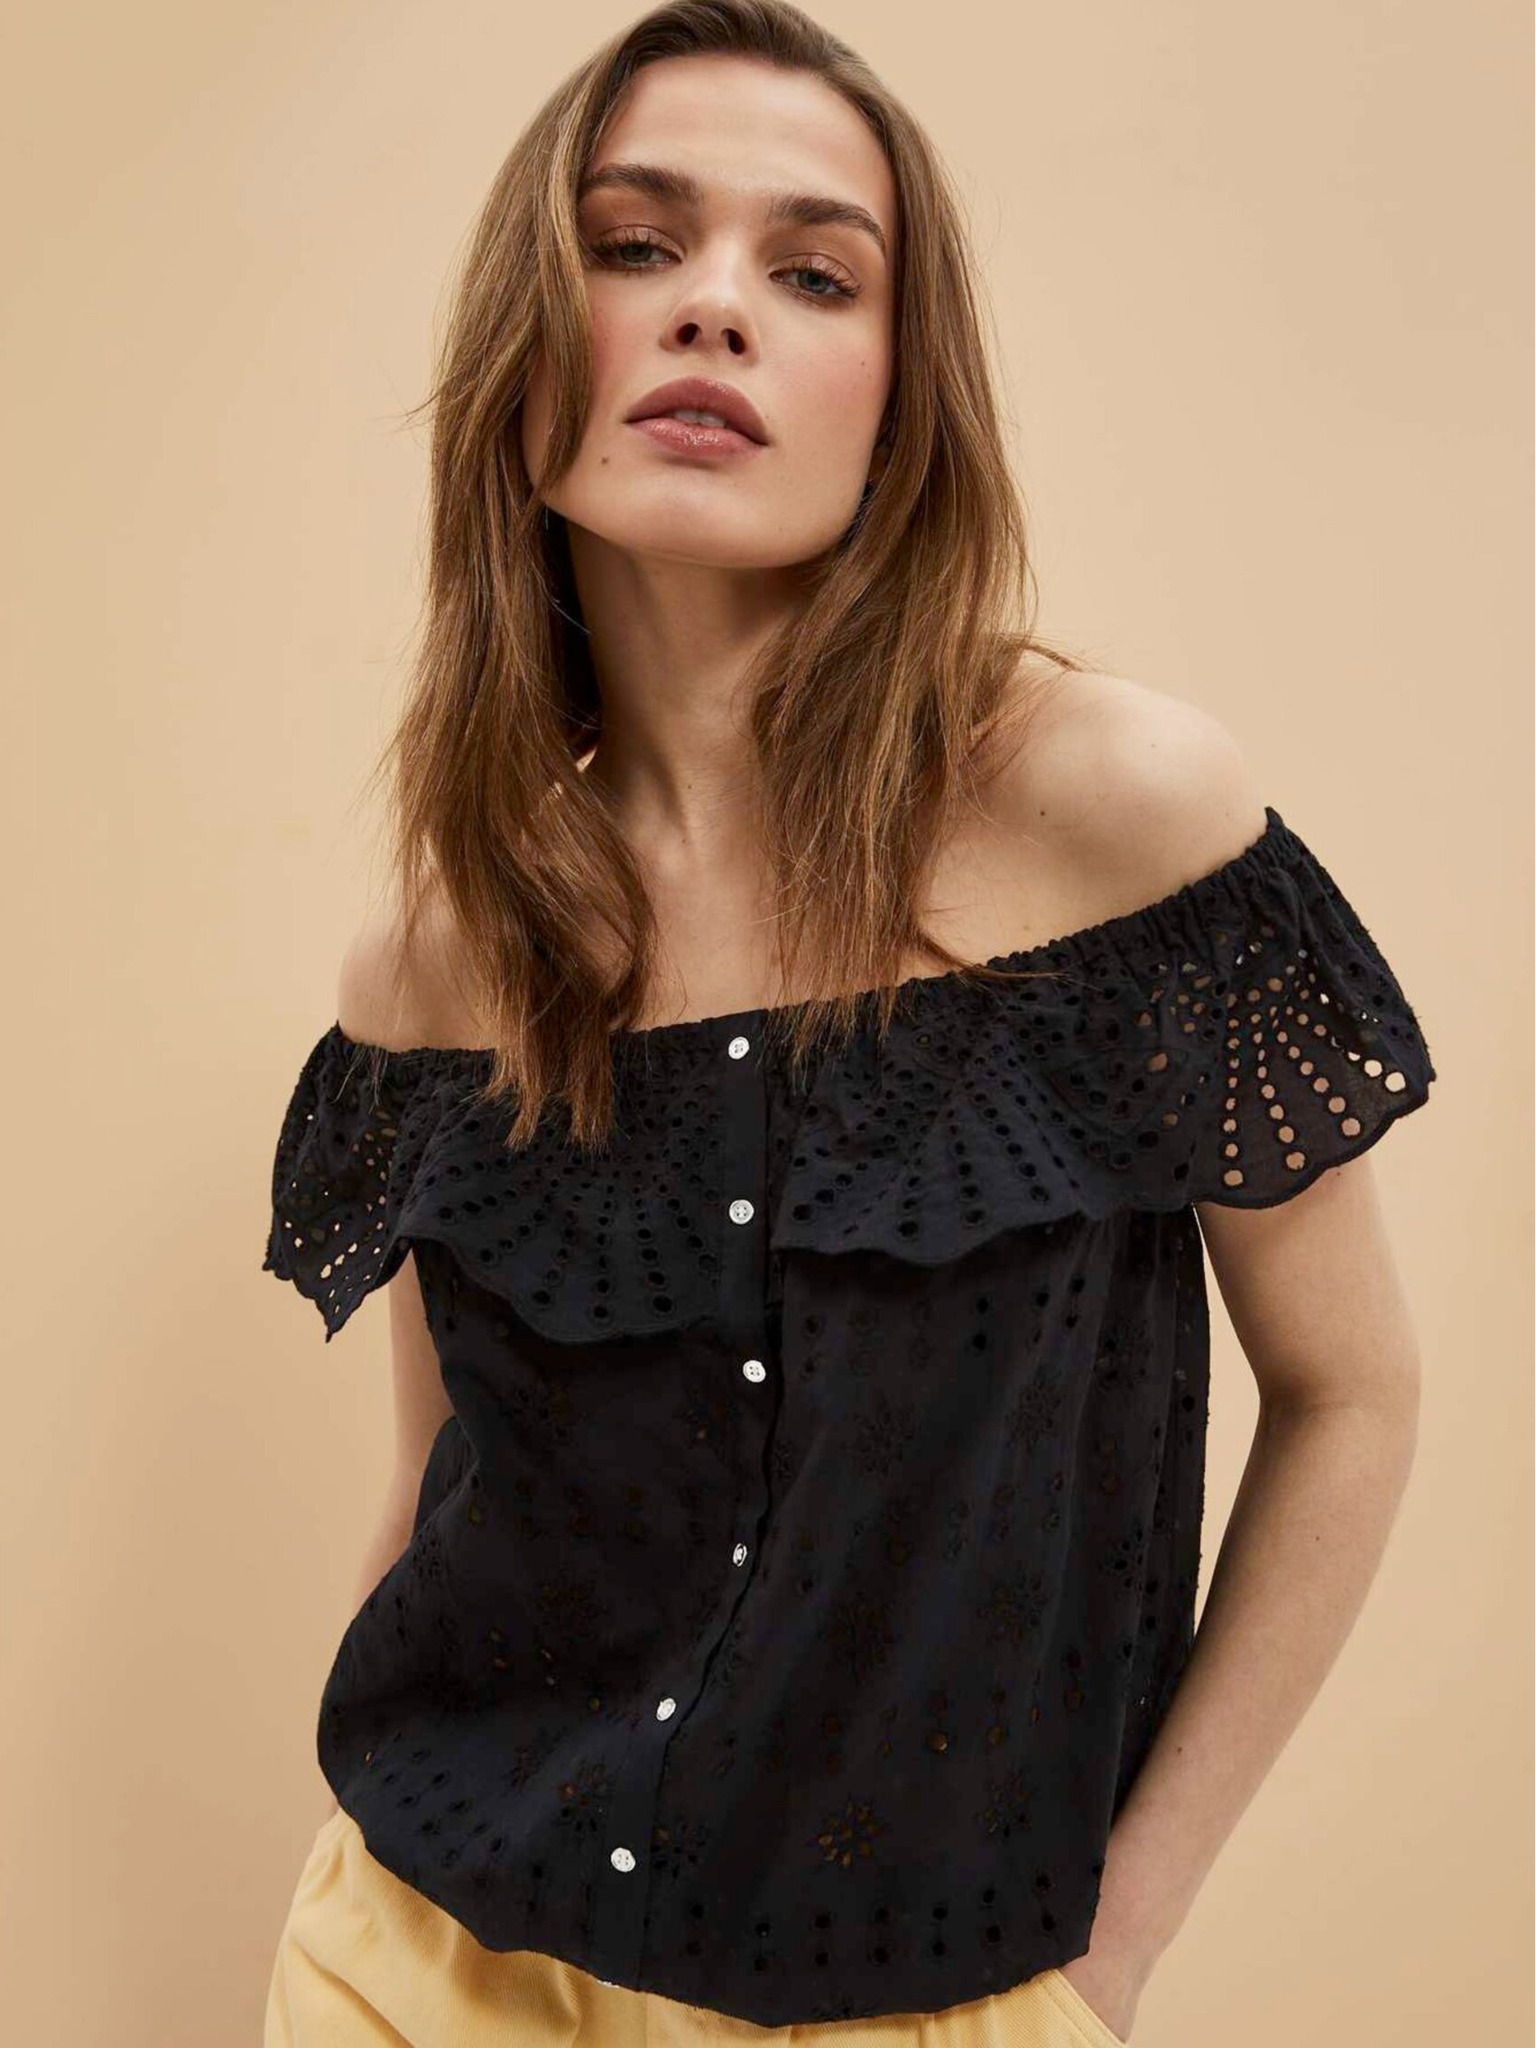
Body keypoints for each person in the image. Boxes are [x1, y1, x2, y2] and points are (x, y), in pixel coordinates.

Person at [259, 3, 1437, 2043]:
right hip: (417, 1964)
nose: (713, 306)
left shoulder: (1116, 813)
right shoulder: (443, 956)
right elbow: (444, 1473)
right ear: (527, 354)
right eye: (634, 244)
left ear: (902, 400)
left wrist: (1113, 1953)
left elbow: (1353, 1395)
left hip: (939, 1995)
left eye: (814, 274)